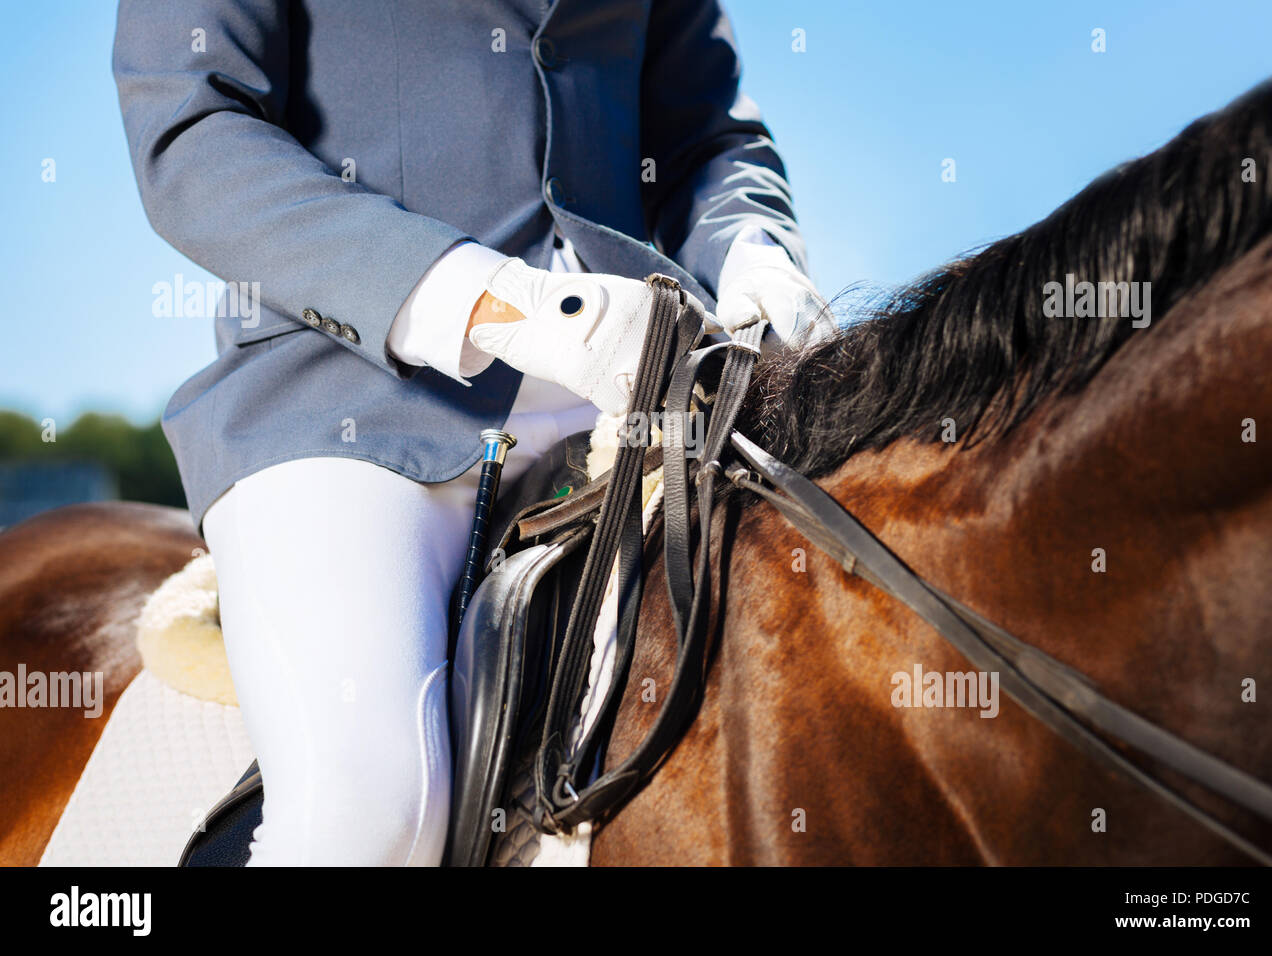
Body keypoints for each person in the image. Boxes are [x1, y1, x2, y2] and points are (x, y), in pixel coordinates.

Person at [112, 0, 833, 865]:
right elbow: (193, 127)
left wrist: (755, 254)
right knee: (371, 817)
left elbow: (705, 138)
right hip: (347, 396)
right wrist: (496, 305)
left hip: (648, 381)